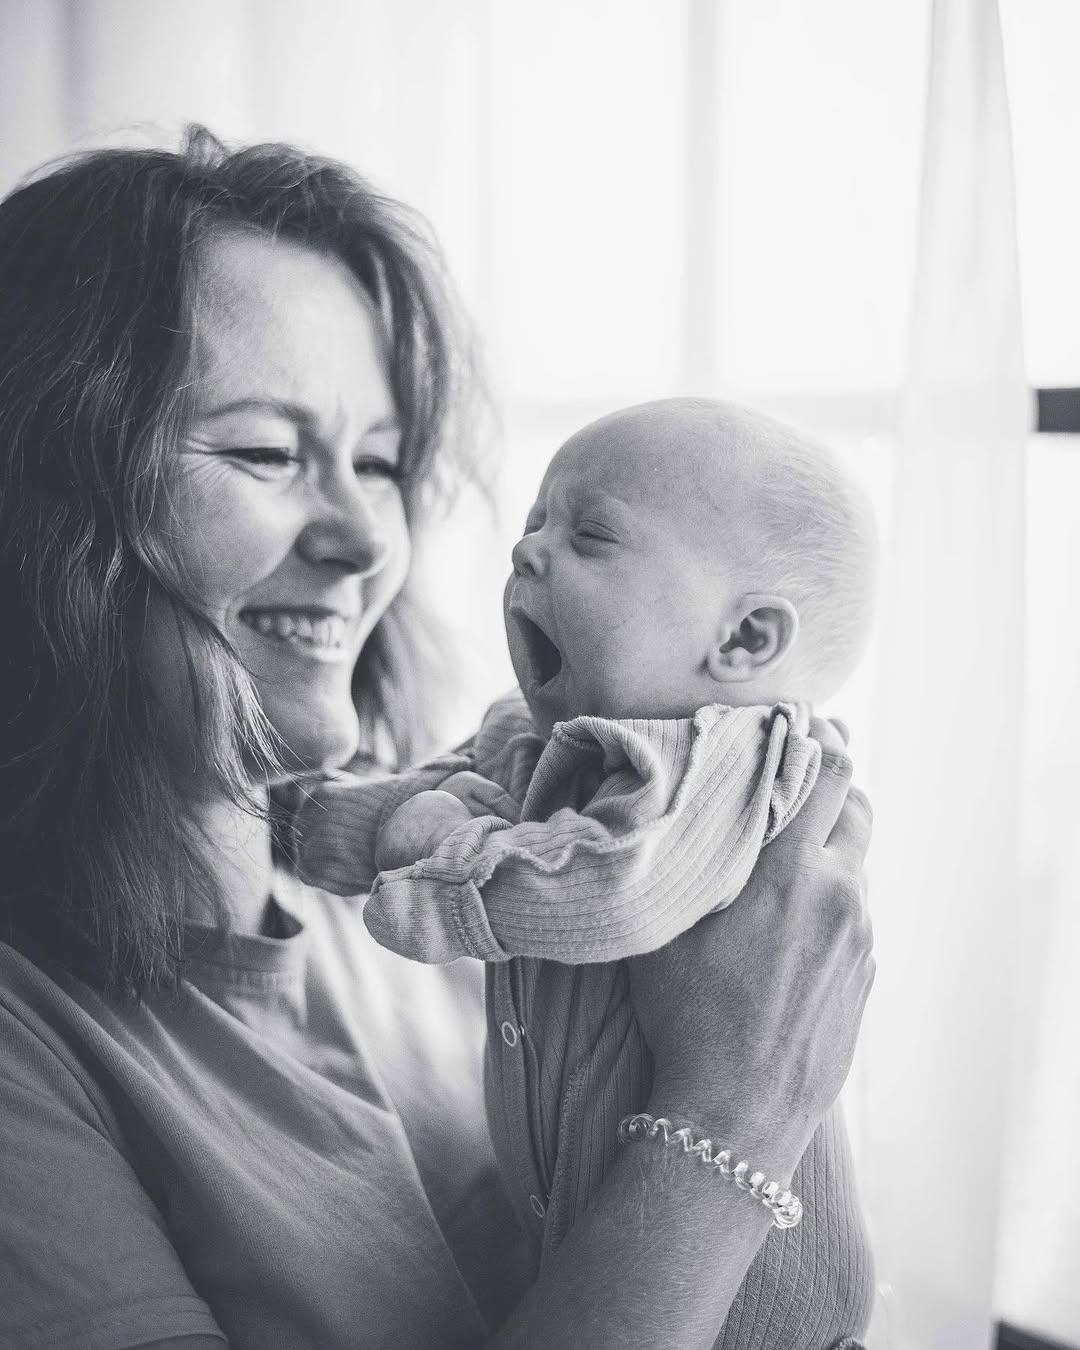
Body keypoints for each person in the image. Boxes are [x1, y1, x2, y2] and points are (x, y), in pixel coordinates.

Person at [0, 128, 875, 1350]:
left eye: (380, 463)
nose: (368, 539)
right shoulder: (33, 1048)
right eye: (264, 453)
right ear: (43, 506)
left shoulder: (463, 868)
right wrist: (738, 1112)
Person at [298, 398, 878, 1348]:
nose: (527, 551)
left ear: (743, 641)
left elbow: (614, 886)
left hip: (748, 1313)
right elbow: (432, 795)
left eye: (591, 536)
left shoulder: (735, 757)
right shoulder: (542, 736)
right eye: (534, 524)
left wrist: (430, 851)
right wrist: (307, 819)